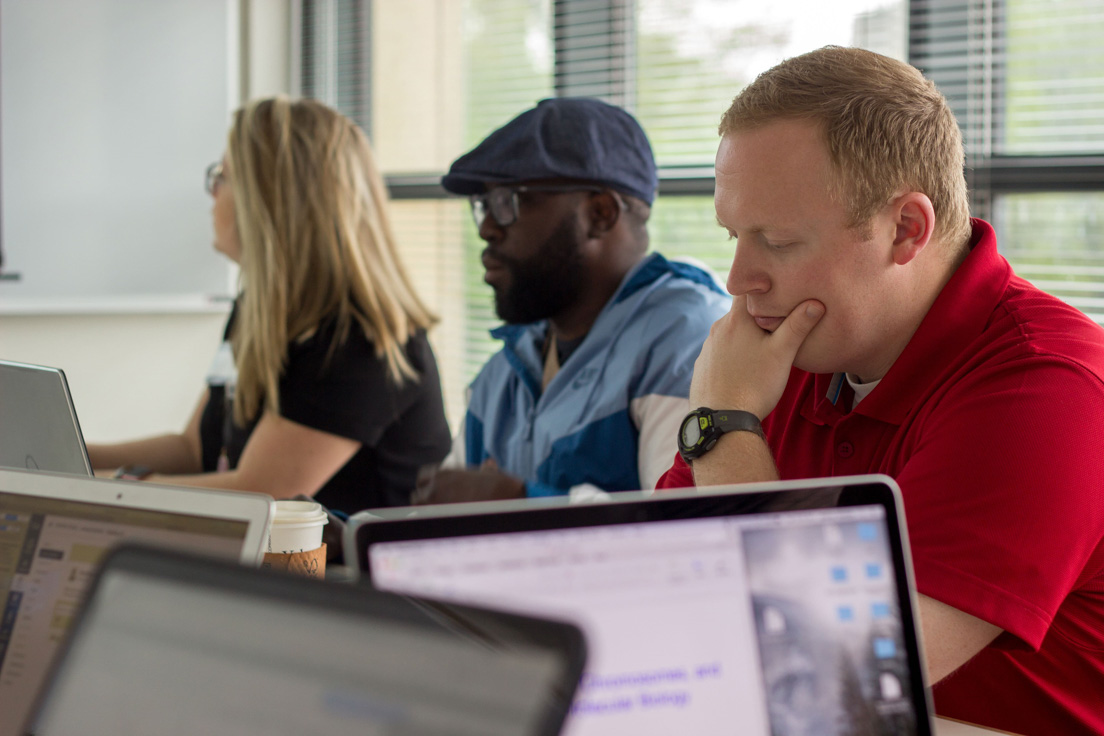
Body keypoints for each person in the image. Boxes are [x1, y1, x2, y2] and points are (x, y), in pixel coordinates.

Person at [656, 46, 1104, 734]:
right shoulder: (793, 352)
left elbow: (823, 675)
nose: (738, 279)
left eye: (775, 241)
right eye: (733, 235)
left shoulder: (1048, 389)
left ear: (906, 229)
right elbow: (659, 603)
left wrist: (722, 427)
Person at [89, 96, 452, 514]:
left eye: (222, 177)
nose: (213, 195)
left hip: (349, 577)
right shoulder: (260, 311)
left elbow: (260, 494)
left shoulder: (361, 338)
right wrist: (68, 459)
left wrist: (107, 487)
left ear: (267, 201)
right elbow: (194, 449)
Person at [413, 97, 729, 503]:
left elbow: (685, 540)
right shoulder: (506, 370)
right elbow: (441, 514)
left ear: (599, 213)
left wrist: (518, 501)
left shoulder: (689, 346)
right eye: (482, 206)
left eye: (508, 201)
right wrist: (349, 537)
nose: (487, 228)